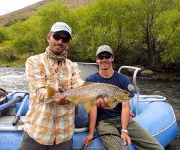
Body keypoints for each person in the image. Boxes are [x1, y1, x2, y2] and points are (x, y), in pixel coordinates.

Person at [83, 45, 164, 150]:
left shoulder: (123, 79)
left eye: (107, 56)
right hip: (104, 122)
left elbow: (125, 107)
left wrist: (124, 130)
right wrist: (91, 133)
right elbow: (92, 109)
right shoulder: (91, 79)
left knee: (158, 148)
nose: (104, 59)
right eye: (101, 57)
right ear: (97, 60)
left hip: (123, 120)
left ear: (112, 58)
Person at [20, 22, 84, 150]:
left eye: (65, 39)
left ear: (67, 43)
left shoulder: (73, 66)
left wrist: (97, 94)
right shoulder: (34, 61)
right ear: (48, 37)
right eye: (57, 36)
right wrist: (55, 95)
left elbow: (79, 86)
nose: (60, 41)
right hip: (37, 131)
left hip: (64, 134)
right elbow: (41, 91)